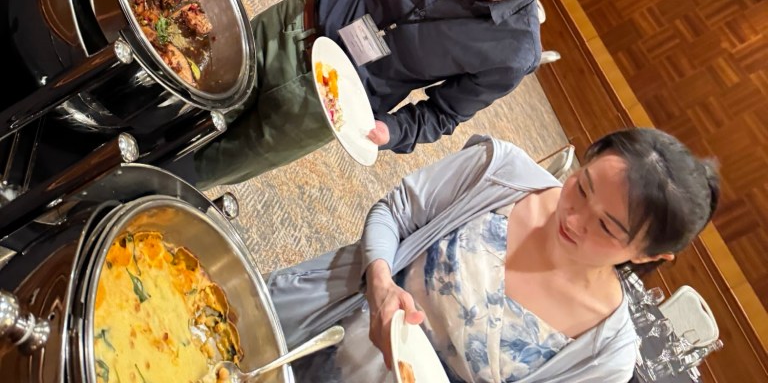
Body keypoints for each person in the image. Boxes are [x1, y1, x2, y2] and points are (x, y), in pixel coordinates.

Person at [192, 0, 618, 186]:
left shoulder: (514, 52)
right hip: (296, 25)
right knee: (189, 83)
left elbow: (443, 113)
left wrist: (391, 131)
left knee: (206, 168)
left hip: (330, 106)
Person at [267, 128, 720, 383]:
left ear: (649, 255)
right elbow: (395, 212)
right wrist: (382, 283)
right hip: (322, 329)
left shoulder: (605, 354)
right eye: (582, 187)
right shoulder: (500, 171)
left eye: (606, 227)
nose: (575, 218)